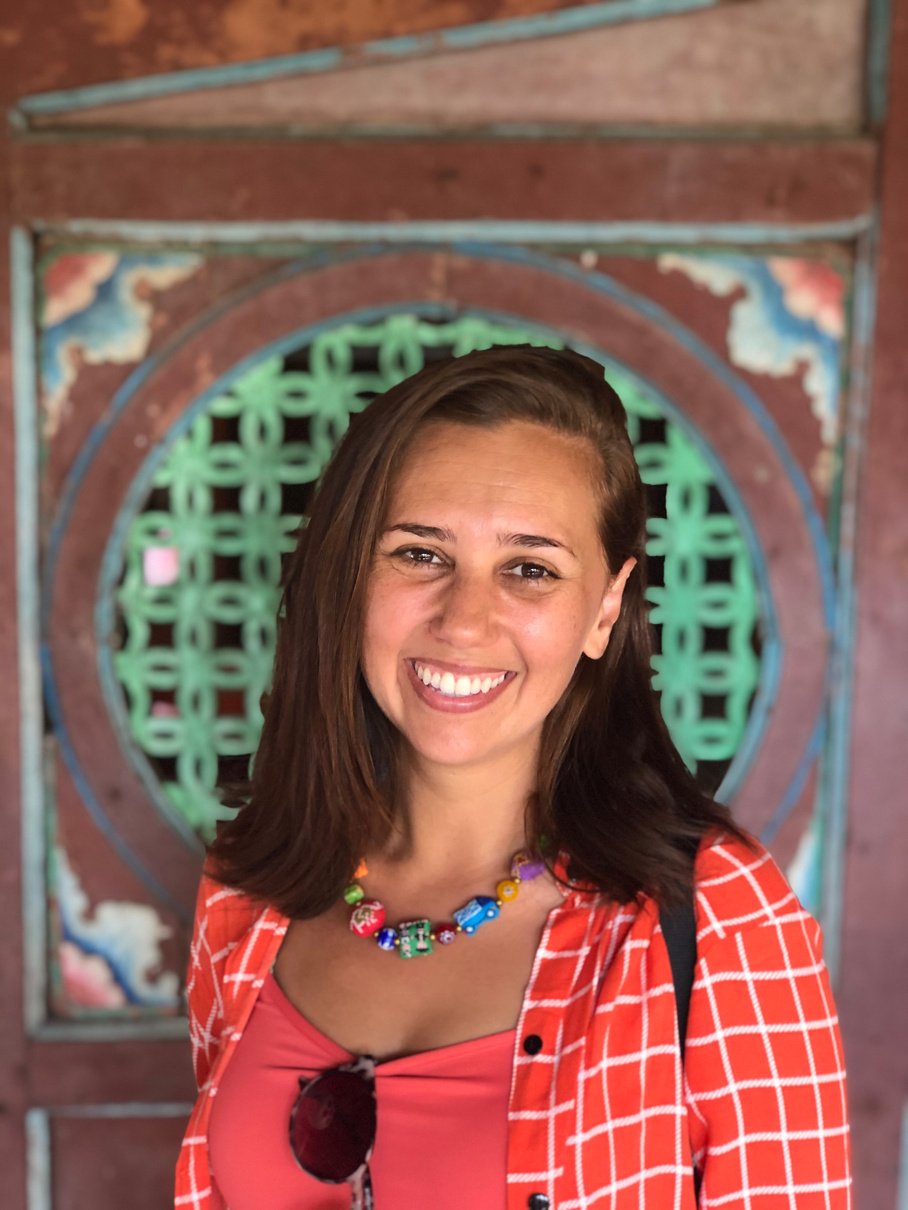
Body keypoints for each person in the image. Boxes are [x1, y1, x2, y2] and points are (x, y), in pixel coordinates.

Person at [175, 346, 851, 1209]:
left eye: (529, 569)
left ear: (605, 608)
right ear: (350, 577)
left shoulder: (716, 914)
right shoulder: (248, 887)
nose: (464, 620)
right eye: (419, 554)